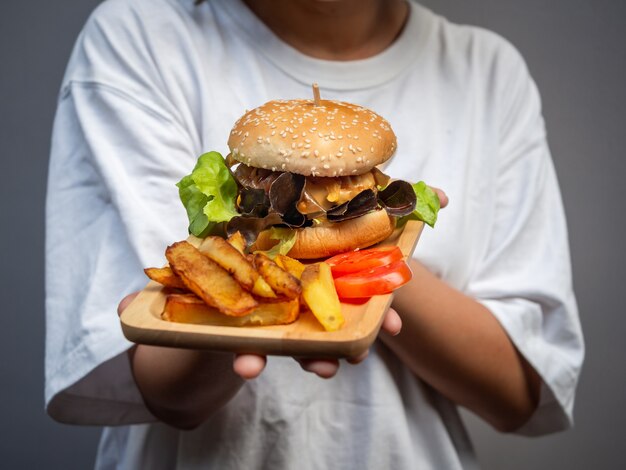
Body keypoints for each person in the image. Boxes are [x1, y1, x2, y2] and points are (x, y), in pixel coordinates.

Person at [45, 0, 584, 468]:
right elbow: (169, 397)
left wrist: (380, 266)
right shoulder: (139, 36)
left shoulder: (489, 70)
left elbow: (518, 395)